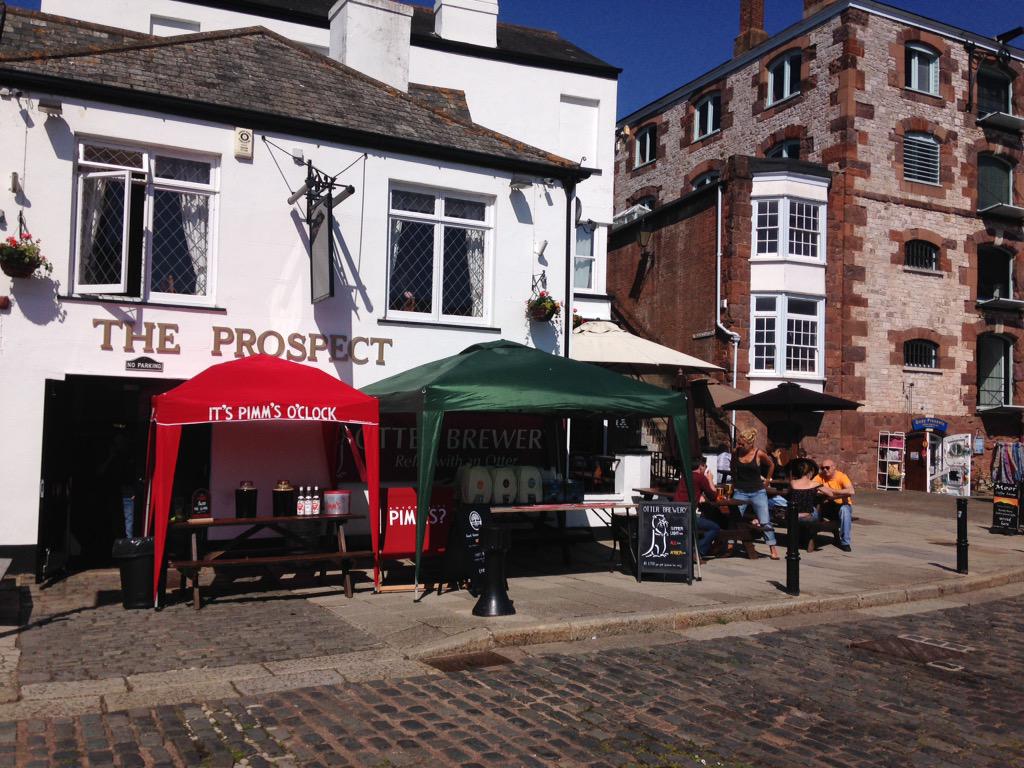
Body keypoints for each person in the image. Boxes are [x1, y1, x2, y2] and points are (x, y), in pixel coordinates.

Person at [731, 427, 779, 560]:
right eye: (739, 443)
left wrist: (767, 480)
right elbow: (732, 466)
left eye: (742, 444)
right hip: (740, 490)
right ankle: (729, 544)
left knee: (765, 521)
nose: (739, 445)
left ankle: (772, 547)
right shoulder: (736, 452)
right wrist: (735, 480)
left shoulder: (759, 453)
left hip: (757, 491)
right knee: (733, 517)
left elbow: (771, 465)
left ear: (750, 443)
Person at [672, 457, 722, 559]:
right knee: (715, 527)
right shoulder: (700, 478)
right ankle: (698, 550)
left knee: (703, 521)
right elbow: (713, 496)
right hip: (687, 516)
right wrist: (710, 480)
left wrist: (698, 495)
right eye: (706, 466)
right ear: (701, 466)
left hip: (675, 513)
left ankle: (697, 550)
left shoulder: (685, 476)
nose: (706, 469)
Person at [814, 458, 854, 551]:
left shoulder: (841, 476)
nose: (824, 470)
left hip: (841, 505)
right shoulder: (820, 476)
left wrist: (832, 491)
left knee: (845, 511)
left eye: (827, 468)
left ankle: (845, 542)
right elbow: (813, 486)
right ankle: (808, 535)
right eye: (822, 468)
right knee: (813, 509)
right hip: (827, 506)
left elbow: (851, 491)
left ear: (834, 467)